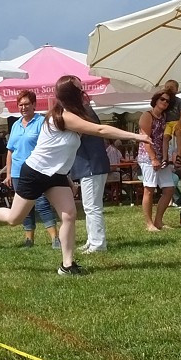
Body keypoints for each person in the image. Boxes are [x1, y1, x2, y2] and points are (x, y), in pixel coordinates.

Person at [0, 76, 148, 274]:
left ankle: (67, 265)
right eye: (79, 88)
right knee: (15, 219)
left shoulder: (72, 115)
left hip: (56, 175)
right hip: (35, 173)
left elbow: (62, 153)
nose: (83, 90)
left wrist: (65, 177)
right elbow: (100, 129)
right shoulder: (64, 116)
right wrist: (137, 136)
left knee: (69, 215)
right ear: (72, 94)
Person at [3, 90, 60, 249]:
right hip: (17, 173)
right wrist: (8, 173)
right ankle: (29, 240)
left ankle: (55, 238)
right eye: (20, 105)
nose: (23, 107)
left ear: (34, 105)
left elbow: (48, 145)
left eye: (27, 104)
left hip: (36, 171)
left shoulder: (42, 122)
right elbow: (10, 150)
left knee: (42, 204)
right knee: (24, 208)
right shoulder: (15, 124)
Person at [71, 101, 112, 251]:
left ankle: (98, 243)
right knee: (90, 206)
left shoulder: (83, 112)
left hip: (92, 166)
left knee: (92, 207)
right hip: (91, 165)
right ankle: (92, 239)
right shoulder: (84, 111)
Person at [137, 90, 176, 232]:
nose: (165, 102)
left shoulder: (164, 117)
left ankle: (158, 221)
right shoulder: (147, 116)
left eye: (167, 101)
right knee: (149, 189)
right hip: (148, 157)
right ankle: (149, 224)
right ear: (155, 100)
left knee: (169, 188)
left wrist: (165, 156)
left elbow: (165, 138)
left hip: (161, 157)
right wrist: (153, 158)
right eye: (162, 99)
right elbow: (145, 138)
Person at [162, 79, 181, 165]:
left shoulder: (179, 101)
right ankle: (165, 158)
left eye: (171, 87)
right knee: (165, 137)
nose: (169, 89)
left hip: (178, 121)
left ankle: (179, 154)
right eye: (167, 87)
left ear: (176, 90)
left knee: (179, 132)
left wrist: (179, 123)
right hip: (168, 123)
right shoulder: (164, 101)